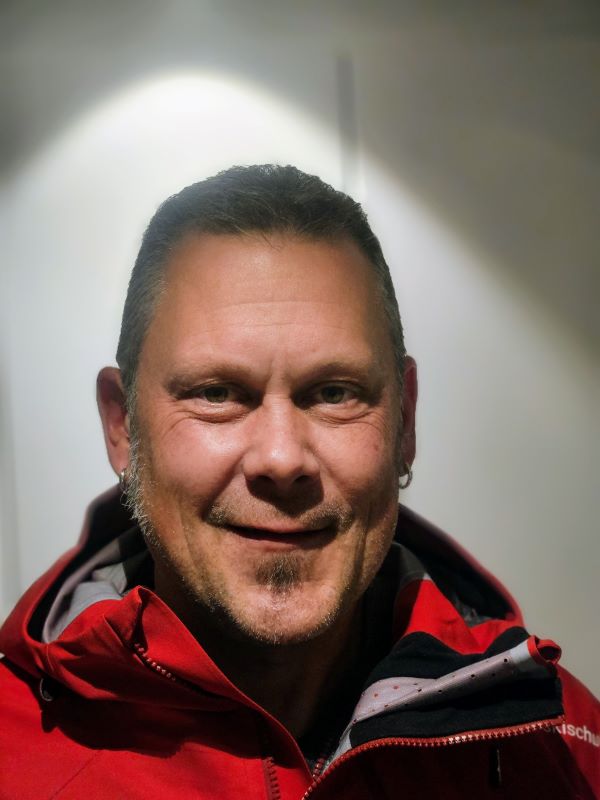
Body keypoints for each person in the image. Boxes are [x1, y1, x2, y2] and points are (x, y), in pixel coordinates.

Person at [0, 165, 597, 799]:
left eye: (334, 393)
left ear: (405, 419)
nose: (282, 459)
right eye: (217, 394)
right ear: (122, 426)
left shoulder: (559, 748)